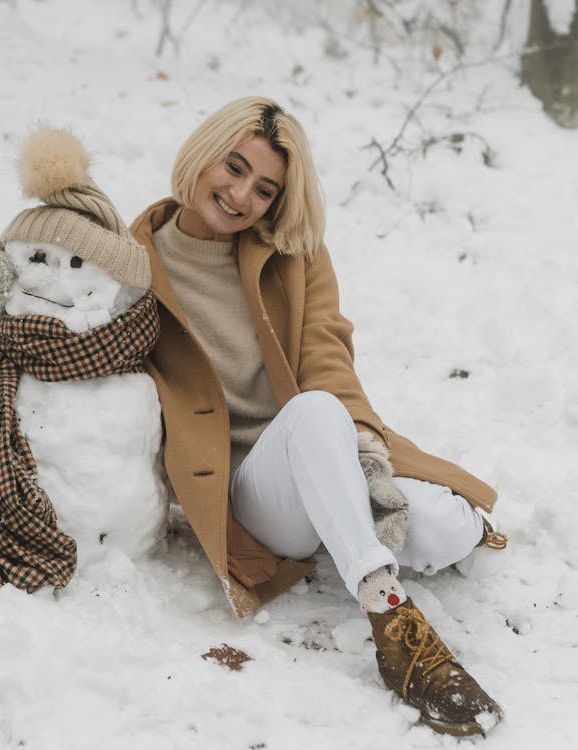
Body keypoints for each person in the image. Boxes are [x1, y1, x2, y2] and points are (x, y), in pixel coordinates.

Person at [127, 96, 507, 737]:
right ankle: (391, 616)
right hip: (251, 494)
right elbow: (46, 305)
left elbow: (327, 355)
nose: (240, 194)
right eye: (234, 167)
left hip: (325, 447)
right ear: (203, 153)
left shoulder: (291, 255)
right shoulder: (128, 261)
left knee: (448, 527)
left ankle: (355, 541)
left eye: (264, 188)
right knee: (311, 414)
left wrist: (367, 455)